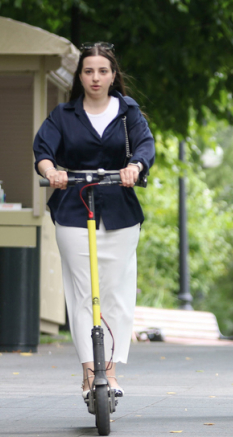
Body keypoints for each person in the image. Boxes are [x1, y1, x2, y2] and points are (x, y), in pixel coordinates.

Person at [33, 42, 155, 401]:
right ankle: (90, 374)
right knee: (84, 294)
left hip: (120, 208)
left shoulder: (128, 112)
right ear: (80, 76)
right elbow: (43, 150)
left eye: (103, 71)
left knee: (115, 292)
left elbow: (146, 146)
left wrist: (135, 167)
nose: (96, 77)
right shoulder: (64, 114)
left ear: (113, 75)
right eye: (89, 71)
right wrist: (51, 171)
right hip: (74, 207)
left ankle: (111, 373)